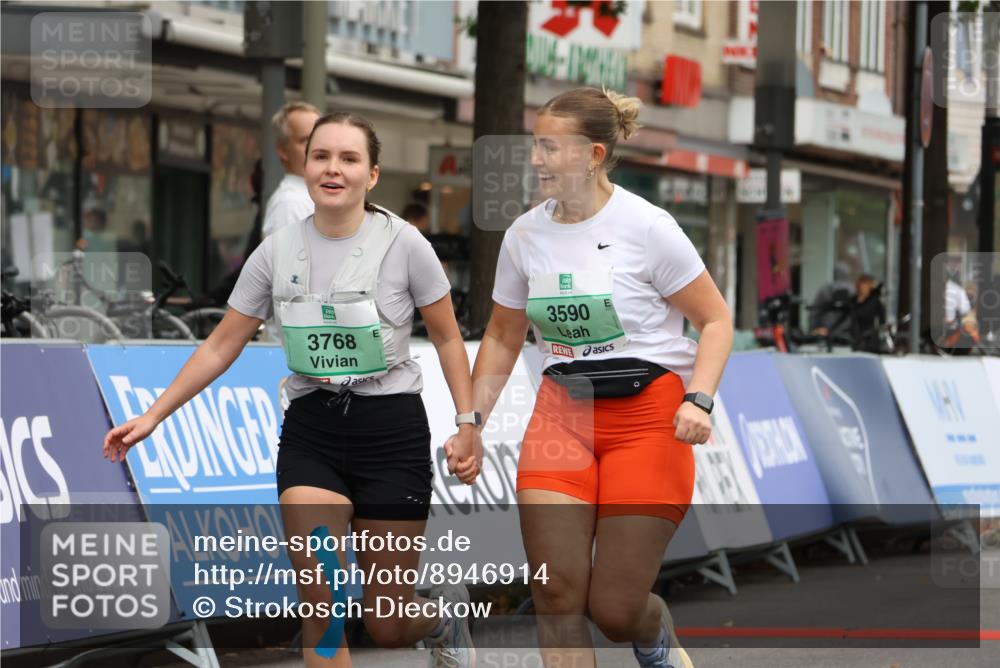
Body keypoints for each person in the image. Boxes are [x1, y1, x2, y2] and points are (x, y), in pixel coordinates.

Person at [104, 112, 480, 668]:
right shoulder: (277, 250)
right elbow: (220, 344)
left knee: (387, 623)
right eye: (321, 156)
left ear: (372, 175)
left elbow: (448, 338)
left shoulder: (406, 244)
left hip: (391, 436)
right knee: (323, 613)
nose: (333, 169)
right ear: (305, 167)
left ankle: (439, 619)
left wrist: (467, 424)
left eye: (349, 159)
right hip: (314, 436)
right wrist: (154, 415)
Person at [456, 87, 733, 668]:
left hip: (648, 415)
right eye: (536, 145)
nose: (537, 160)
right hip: (563, 412)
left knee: (614, 609)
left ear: (593, 154)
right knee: (556, 595)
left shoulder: (648, 227)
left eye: (551, 148)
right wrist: (471, 421)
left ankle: (654, 631)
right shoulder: (524, 235)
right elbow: (505, 336)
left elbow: (714, 319)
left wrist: (699, 399)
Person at [262, 102, 322, 238]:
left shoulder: (315, 196)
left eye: (319, 138)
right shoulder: (290, 204)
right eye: (305, 141)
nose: (316, 147)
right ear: (282, 150)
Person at [809, 261, 855, 340]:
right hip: (846, 330)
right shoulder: (853, 289)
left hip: (827, 329)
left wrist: (813, 328)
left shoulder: (825, 289)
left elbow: (815, 310)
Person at [850, 274, 886, 353]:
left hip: (869, 338)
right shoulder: (852, 301)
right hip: (853, 336)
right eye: (861, 285)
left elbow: (882, 319)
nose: (862, 288)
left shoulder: (874, 301)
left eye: (865, 285)